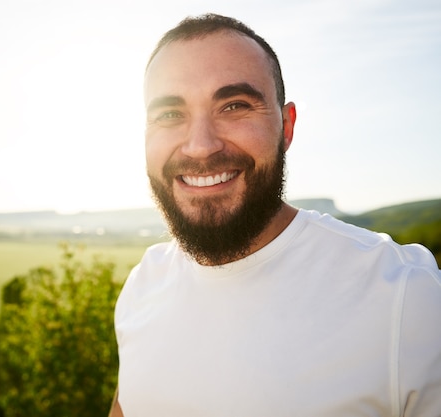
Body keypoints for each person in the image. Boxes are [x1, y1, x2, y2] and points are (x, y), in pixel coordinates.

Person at [109, 13, 441, 417]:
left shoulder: (407, 298)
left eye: (234, 105)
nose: (200, 146)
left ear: (286, 127)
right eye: (169, 114)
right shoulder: (143, 285)